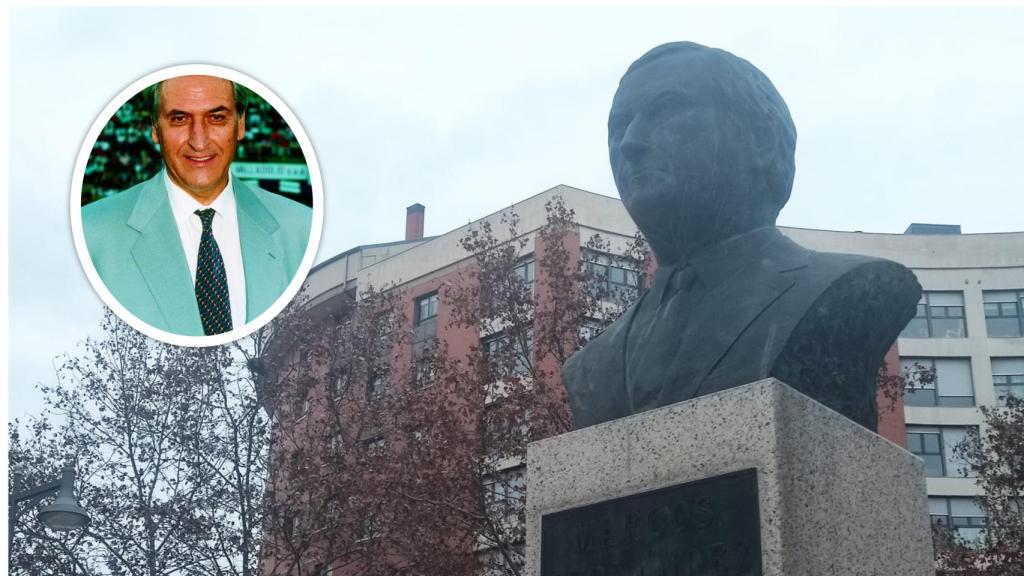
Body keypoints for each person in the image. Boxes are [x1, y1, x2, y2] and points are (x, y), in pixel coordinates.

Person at [563, 42, 921, 431]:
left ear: (762, 142)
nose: (629, 142)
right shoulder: (591, 368)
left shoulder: (849, 289)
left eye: (666, 110)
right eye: (619, 126)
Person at [81, 75, 312, 337]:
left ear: (241, 124)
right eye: (180, 119)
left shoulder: (301, 230)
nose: (199, 141)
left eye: (216, 118)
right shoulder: (92, 236)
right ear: (155, 128)